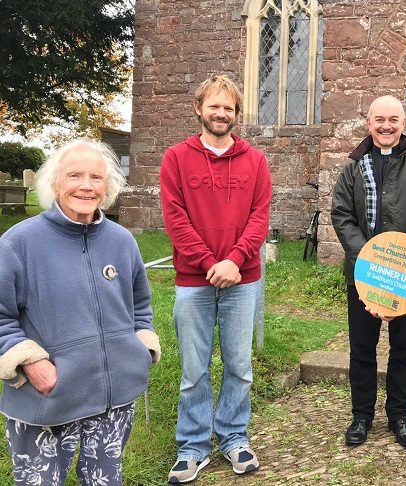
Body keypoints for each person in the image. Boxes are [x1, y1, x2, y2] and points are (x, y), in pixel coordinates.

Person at [0, 139, 161, 486]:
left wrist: (140, 350)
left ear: (108, 187)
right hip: (47, 397)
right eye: (75, 176)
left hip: (114, 400)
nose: (86, 186)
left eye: (96, 178)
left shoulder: (122, 241)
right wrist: (30, 363)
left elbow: (141, 307)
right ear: (55, 183)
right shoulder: (19, 243)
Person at [161, 74, 272, 483]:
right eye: (214, 106)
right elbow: (175, 218)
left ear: (236, 114)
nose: (221, 113)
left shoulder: (255, 161)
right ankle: (192, 445)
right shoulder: (176, 157)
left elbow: (260, 218)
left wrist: (236, 261)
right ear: (199, 109)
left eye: (228, 107)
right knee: (194, 369)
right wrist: (211, 262)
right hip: (194, 280)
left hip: (243, 280)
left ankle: (234, 437)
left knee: (240, 366)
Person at [330, 95, 406, 448]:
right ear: (369, 123)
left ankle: (400, 416)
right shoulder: (353, 167)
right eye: (379, 120)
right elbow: (342, 214)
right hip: (362, 276)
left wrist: (404, 253)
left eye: (393, 119)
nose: (386, 126)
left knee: (404, 349)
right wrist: (367, 257)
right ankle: (361, 416)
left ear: (403, 123)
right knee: (362, 348)